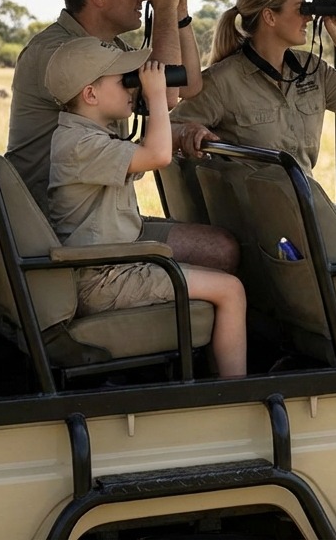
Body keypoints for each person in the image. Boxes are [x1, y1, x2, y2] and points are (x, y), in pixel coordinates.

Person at [7, 0, 238, 273]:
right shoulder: (61, 54)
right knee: (220, 252)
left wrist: (179, 12)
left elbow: (188, 83)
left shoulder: (105, 51)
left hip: (103, 216)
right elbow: (169, 93)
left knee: (222, 249)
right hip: (64, 230)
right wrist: (162, 9)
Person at [45, 37, 246, 377]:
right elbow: (157, 156)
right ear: (90, 95)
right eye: (124, 79)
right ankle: (235, 391)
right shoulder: (81, 144)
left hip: (111, 258)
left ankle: (211, 373)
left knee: (219, 254)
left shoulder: (84, 136)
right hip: (105, 278)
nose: (132, 86)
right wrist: (155, 97)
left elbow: (143, 155)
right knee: (231, 290)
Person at [170, 0, 336, 237]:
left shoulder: (311, 69)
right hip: (265, 219)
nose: (308, 16)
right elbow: (169, 128)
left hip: (311, 203)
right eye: (300, 8)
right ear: (269, 16)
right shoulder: (224, 80)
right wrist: (189, 131)